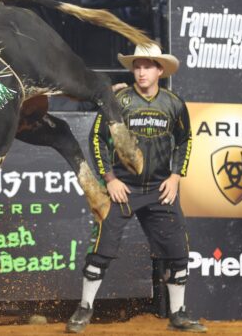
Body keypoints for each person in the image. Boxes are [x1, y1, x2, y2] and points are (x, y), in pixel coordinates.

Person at [65, 44, 206, 334]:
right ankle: (84, 309)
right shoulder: (118, 100)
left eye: (148, 66)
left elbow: (184, 140)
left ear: (160, 70)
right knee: (101, 249)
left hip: (159, 189)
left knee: (178, 251)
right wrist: (110, 178)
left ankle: (178, 313)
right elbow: (97, 139)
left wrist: (176, 175)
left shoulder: (174, 103)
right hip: (123, 189)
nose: (141, 72)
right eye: (137, 66)